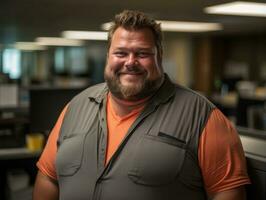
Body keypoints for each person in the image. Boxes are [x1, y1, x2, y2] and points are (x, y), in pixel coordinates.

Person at [33, 10, 250, 200]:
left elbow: (228, 192)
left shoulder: (203, 116)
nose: (130, 62)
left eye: (142, 53)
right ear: (108, 56)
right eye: (121, 53)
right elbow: (48, 178)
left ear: (160, 57)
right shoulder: (75, 107)